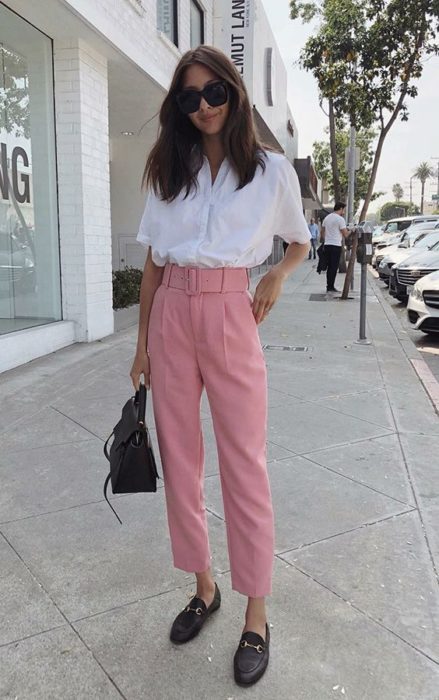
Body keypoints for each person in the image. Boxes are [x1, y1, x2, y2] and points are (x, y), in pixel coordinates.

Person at [130, 45, 310, 687]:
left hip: (232, 309)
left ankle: (256, 613)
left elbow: (299, 243)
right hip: (173, 314)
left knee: (244, 463)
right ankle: (204, 587)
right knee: (180, 460)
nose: (203, 106)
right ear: (178, 106)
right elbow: (153, 262)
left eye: (214, 93)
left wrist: (276, 280)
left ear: (234, 94)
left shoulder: (270, 171)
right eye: (189, 97)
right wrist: (143, 342)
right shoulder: (167, 169)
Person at [321, 202, 349, 292]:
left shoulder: (327, 218)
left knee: (329, 266)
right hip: (336, 245)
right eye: (343, 209)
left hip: (327, 244)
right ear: (340, 208)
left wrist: (326, 239)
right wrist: (351, 230)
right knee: (334, 266)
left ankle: (328, 285)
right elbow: (345, 234)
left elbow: (322, 232)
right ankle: (331, 286)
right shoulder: (340, 219)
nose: (344, 211)